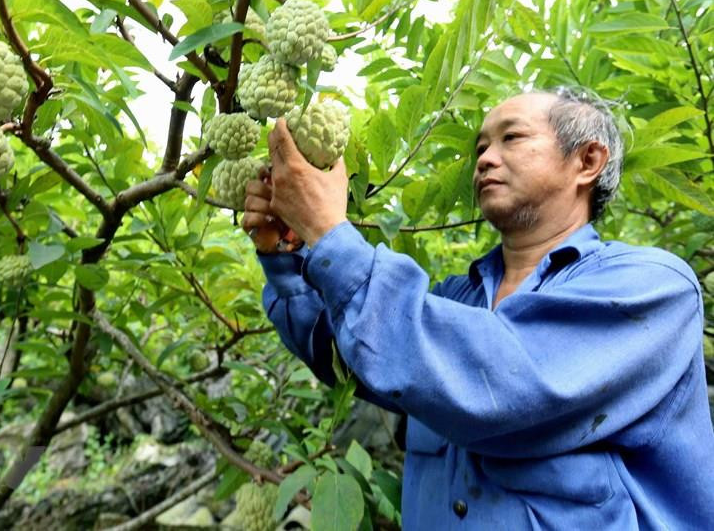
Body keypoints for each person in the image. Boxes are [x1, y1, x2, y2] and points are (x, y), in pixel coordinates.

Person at [242, 87, 714, 530]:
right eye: (480, 147)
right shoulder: (451, 303)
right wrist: (287, 252)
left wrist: (332, 233)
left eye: (511, 137)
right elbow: (346, 352)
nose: (485, 159)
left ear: (587, 160)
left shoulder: (649, 288)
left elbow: (502, 380)